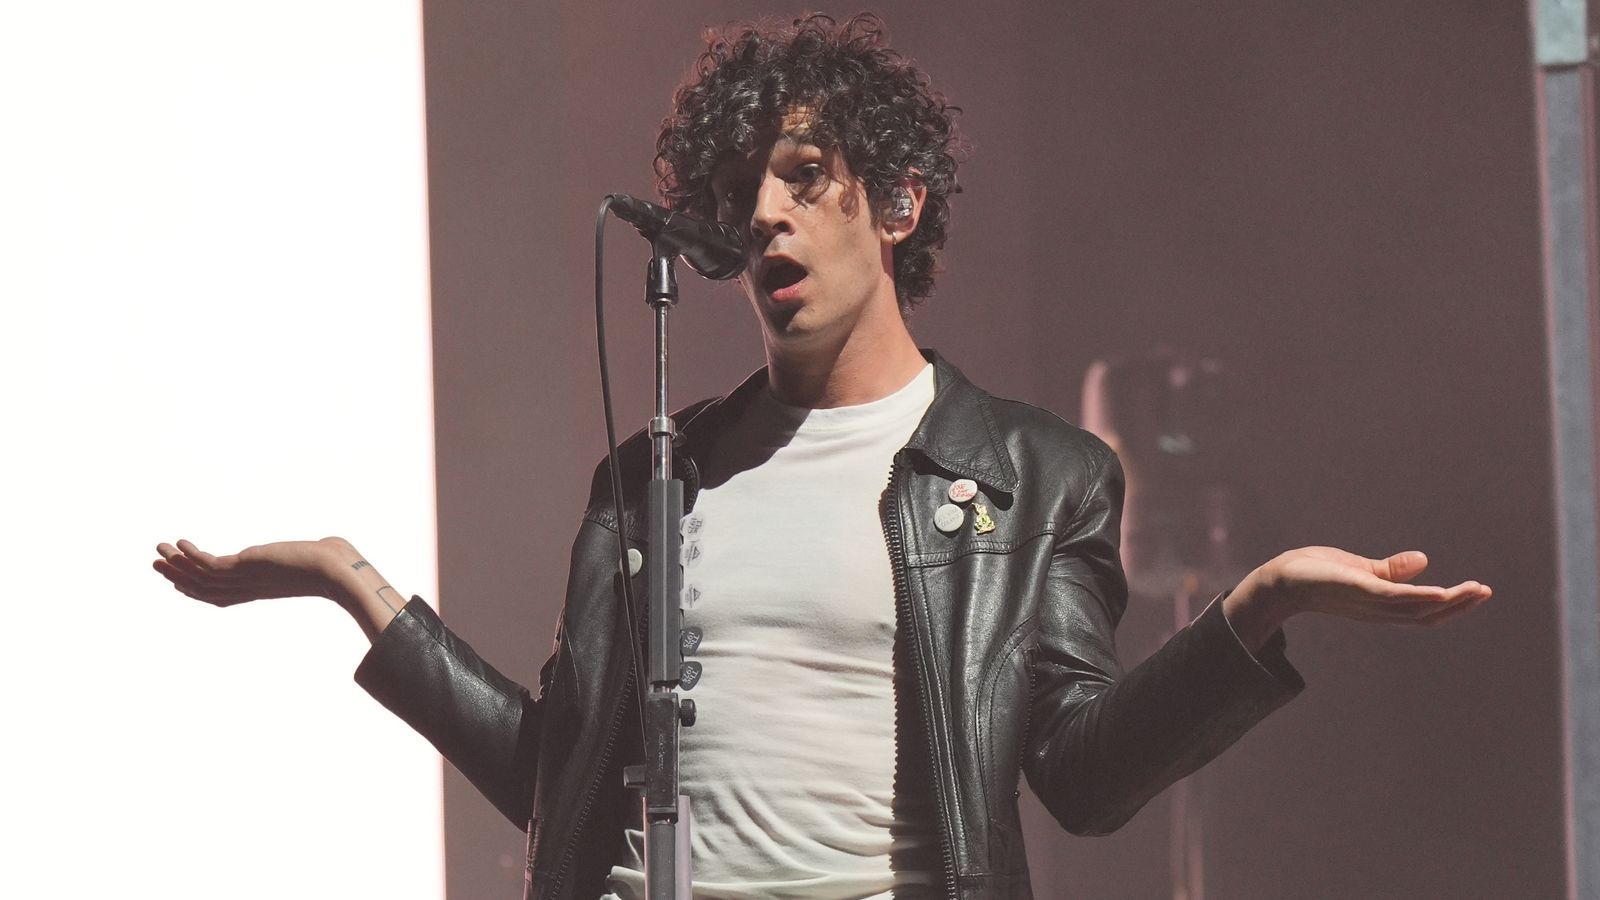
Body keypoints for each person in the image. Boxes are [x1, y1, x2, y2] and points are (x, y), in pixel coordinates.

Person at [152, 14, 1492, 900]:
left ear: (897, 203)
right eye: (750, 194)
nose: (770, 218)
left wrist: (1253, 614)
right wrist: (357, 588)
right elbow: (560, 784)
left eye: (805, 176)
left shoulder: (1038, 473)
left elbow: (1080, 780)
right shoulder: (650, 479)